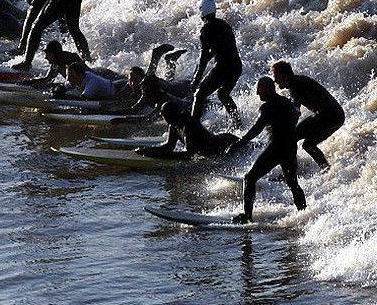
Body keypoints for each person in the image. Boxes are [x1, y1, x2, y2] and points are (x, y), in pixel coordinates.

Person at [228, 77, 306, 224]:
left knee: (249, 178)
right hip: (290, 147)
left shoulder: (268, 107)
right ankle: (304, 214)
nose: (257, 93)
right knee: (293, 183)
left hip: (277, 148)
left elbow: (256, 129)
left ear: (269, 88)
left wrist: (239, 144)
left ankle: (247, 216)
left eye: (260, 89)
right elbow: (296, 113)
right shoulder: (286, 103)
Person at [271, 61, 343, 170]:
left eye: (276, 76)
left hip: (330, 116)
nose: (275, 80)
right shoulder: (297, 82)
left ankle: (290, 170)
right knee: (306, 144)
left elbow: (295, 112)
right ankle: (326, 169)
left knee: (294, 139)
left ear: (284, 76)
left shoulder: (296, 85)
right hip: (333, 116)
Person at [190, 0, 243, 128]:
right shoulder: (224, 24)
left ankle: (191, 129)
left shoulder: (205, 29)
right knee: (223, 94)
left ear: (201, 12)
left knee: (199, 95)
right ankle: (238, 124)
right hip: (236, 66)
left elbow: (203, 58)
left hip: (223, 67)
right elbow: (221, 47)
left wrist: (196, 80)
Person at [138, 101, 237, 159]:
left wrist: (157, 156)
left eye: (163, 114)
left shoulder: (188, 125)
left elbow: (188, 155)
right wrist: (148, 150)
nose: (162, 117)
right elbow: (169, 146)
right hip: (218, 145)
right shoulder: (173, 125)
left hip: (227, 143)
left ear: (169, 115)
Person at [51, 62, 116, 99]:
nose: (68, 79)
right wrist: (56, 91)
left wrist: (64, 97)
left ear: (80, 75)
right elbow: (62, 87)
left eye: (71, 76)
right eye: (68, 76)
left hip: (118, 89)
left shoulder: (92, 82)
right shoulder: (74, 80)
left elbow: (83, 99)